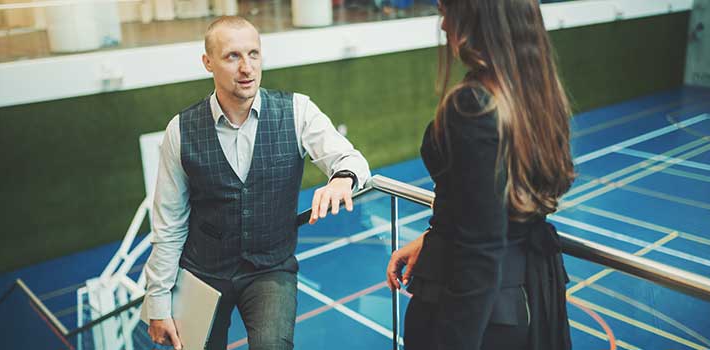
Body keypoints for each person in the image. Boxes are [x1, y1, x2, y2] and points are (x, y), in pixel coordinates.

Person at [144, 16, 370, 350]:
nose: (247, 68)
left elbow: (352, 160)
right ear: (208, 63)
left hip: (270, 270)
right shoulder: (180, 131)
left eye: (254, 54)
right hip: (202, 272)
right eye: (232, 56)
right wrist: (157, 304)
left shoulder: (297, 111)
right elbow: (168, 225)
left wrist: (343, 178)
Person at [386, 0, 575, 349]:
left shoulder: (473, 104)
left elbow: (481, 249)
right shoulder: (539, 95)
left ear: (476, 16)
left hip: (471, 312)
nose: (444, 26)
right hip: (523, 300)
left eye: (447, 12)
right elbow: (492, 210)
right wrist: (433, 239)